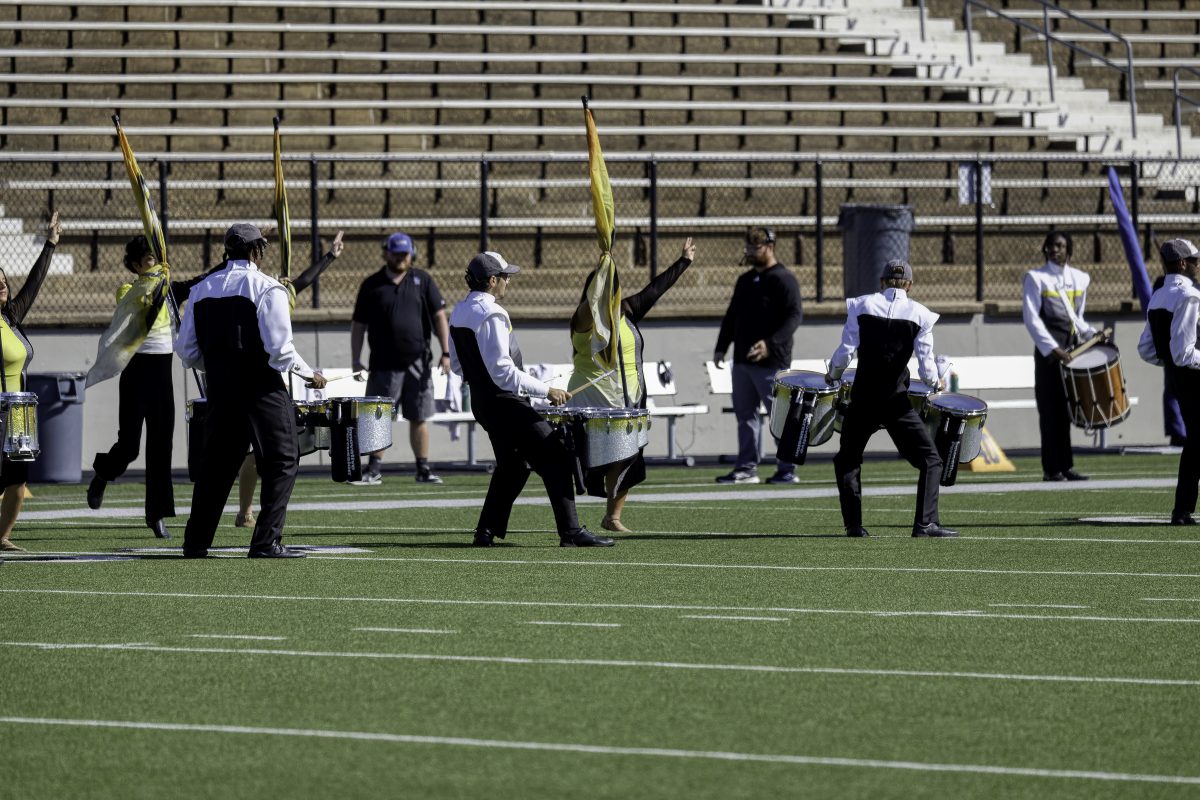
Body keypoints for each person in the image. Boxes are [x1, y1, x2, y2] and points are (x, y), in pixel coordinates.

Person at [175, 223, 326, 559]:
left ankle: (195, 542)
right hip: (261, 388)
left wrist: (219, 367)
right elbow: (280, 351)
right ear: (257, 250)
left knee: (217, 466)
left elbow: (186, 351)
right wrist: (309, 374)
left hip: (220, 389)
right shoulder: (268, 288)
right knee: (282, 459)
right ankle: (265, 542)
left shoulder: (201, 289)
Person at [449, 251, 613, 548]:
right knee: (557, 456)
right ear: (492, 280)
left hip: (483, 403)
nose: (508, 281)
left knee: (513, 466)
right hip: (505, 402)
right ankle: (571, 532)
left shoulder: (459, 311)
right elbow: (503, 371)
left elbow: (458, 366)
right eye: (505, 276)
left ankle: (485, 531)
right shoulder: (492, 313)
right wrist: (546, 391)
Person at [86, 235, 212, 540]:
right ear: (135, 264)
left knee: (161, 446)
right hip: (136, 373)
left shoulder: (170, 289)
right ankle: (103, 472)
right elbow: (146, 305)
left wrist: (233, 260)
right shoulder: (128, 290)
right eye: (145, 258)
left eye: (153, 256)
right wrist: (161, 285)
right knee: (129, 446)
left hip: (161, 376)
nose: (150, 260)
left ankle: (156, 514)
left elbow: (201, 280)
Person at [567, 238, 696, 533]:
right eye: (604, 289)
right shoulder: (584, 319)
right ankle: (569, 522)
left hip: (629, 399)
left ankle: (612, 517)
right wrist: (602, 273)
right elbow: (592, 303)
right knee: (584, 462)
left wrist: (683, 262)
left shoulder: (625, 311)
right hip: (593, 401)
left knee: (627, 457)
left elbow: (654, 290)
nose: (610, 295)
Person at [825, 259, 958, 538]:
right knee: (931, 460)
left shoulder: (860, 305)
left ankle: (853, 526)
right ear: (910, 285)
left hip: (863, 398)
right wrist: (936, 382)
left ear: (882, 282)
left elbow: (845, 352)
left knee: (848, 459)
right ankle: (925, 524)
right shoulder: (921, 315)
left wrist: (833, 374)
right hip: (895, 401)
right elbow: (926, 367)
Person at [233, 231, 345, 529]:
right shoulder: (259, 291)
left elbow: (305, 279)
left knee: (261, 452)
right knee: (258, 452)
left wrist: (330, 257)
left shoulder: (280, 294)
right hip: (256, 379)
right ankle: (248, 514)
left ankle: (249, 513)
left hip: (269, 379)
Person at [350, 231, 450, 486]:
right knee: (378, 417)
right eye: (396, 254)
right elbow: (358, 325)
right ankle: (373, 469)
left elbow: (439, 316)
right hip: (383, 364)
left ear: (411, 254)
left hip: (418, 362)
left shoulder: (422, 280)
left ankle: (423, 468)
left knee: (419, 417)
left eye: (405, 254)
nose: (401, 258)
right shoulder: (372, 284)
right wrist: (356, 359)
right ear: (386, 254)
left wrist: (446, 352)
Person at [712, 226, 804, 485]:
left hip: (772, 363)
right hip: (742, 361)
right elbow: (732, 316)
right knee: (745, 416)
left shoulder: (783, 279)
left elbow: (794, 316)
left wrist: (770, 344)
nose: (751, 252)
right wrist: (721, 347)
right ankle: (746, 468)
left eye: (756, 247)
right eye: (749, 247)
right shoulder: (745, 280)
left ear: (770, 247)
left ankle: (787, 468)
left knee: (778, 416)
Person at [0, 211, 60, 552]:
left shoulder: (11, 317)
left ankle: (2, 536)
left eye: (4, 280)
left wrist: (50, 244)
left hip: (18, 410)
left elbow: (33, 286)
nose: (3, 285)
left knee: (18, 479)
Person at [1022, 231, 1098, 482]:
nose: (1055, 250)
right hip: (1049, 354)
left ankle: (1065, 466)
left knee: (1066, 410)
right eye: (1051, 246)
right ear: (1045, 249)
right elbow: (1031, 319)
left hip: (1071, 351)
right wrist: (1053, 349)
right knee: (1049, 410)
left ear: (1069, 249)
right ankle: (1051, 468)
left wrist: (1093, 334)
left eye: (1060, 246)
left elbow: (1077, 319)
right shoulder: (1036, 278)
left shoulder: (1080, 279)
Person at [1138, 238, 1200, 526]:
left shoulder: (1159, 296)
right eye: (1196, 261)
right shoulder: (1189, 295)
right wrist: (1178, 360)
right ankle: (1182, 509)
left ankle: (1182, 509)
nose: (1198, 266)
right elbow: (1184, 352)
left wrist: (1171, 364)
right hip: (1195, 378)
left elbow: (1146, 349)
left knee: (1196, 443)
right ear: (1184, 263)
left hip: (1180, 380)